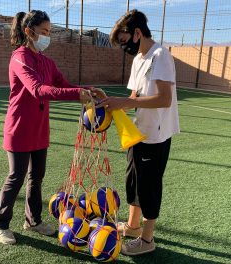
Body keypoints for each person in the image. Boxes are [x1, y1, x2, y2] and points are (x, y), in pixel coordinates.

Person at [0, 10, 103, 245]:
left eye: (49, 32)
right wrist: (77, 94)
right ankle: (1, 223)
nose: (47, 37)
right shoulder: (19, 57)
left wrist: (89, 91)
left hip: (39, 128)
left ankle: (33, 221)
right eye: (43, 32)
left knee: (37, 177)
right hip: (19, 128)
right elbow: (37, 89)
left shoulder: (47, 61)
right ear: (28, 32)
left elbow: (63, 84)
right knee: (16, 176)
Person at [98, 9, 180, 255]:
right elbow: (134, 97)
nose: (124, 48)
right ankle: (133, 227)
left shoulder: (160, 55)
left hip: (156, 135)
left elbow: (164, 99)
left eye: (124, 42)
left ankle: (147, 240)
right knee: (133, 181)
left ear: (137, 32)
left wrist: (125, 103)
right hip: (137, 131)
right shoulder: (138, 59)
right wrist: (113, 104)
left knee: (149, 186)